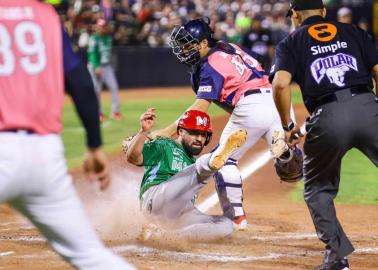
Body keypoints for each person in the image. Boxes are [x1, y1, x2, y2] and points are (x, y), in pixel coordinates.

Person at [0, 1, 135, 269]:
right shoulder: (46, 15)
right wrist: (95, 145)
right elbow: (80, 81)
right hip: (46, 158)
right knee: (90, 256)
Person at [151, 18, 298, 230]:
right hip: (276, 98)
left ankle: (235, 218)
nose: (183, 50)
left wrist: (169, 131)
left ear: (202, 43)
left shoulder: (209, 64)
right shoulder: (230, 46)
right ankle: (287, 155)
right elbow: (260, 63)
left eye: (187, 44)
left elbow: (201, 105)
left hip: (251, 104)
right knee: (290, 171)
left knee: (222, 161)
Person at [270, 0, 378, 269]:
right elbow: (377, 71)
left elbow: (281, 84)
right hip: (367, 105)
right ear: (324, 12)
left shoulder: (291, 42)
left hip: (327, 117)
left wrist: (287, 127)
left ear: (295, 15)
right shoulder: (353, 31)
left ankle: (337, 257)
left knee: (318, 191)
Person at [125, 108, 247, 240]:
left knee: (226, 225)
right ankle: (213, 160)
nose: (199, 139)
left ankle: (167, 236)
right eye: (194, 133)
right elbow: (134, 158)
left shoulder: (192, 163)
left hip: (181, 213)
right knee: (199, 170)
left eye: (203, 135)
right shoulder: (165, 145)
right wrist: (143, 132)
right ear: (180, 131)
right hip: (156, 200)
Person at [88, 18, 122, 121]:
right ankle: (97, 113)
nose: (102, 28)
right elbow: (92, 53)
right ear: (97, 27)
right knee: (97, 90)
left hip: (106, 66)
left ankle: (115, 112)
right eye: (100, 26)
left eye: (103, 26)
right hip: (96, 66)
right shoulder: (94, 38)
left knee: (114, 87)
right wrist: (96, 66)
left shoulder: (108, 37)